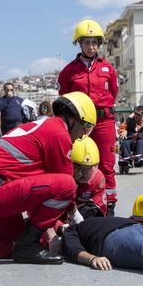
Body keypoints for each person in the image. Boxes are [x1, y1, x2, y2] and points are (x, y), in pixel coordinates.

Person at [0, 91, 97, 266]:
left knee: (25, 241)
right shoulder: (59, 133)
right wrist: (76, 219)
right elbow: (63, 188)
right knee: (67, 184)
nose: (83, 135)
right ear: (74, 119)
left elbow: (40, 195)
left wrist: (46, 233)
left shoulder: (43, 127)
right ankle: (27, 247)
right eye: (86, 127)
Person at [58, 19, 118, 215]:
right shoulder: (69, 71)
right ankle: (73, 202)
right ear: (79, 44)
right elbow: (64, 98)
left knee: (107, 163)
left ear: (99, 44)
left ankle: (109, 203)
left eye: (94, 42)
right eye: (86, 42)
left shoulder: (108, 69)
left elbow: (114, 92)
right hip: (80, 124)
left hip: (104, 121)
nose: (91, 47)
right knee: (76, 160)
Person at [70, 136, 107, 218]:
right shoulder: (62, 178)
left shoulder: (97, 179)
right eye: (80, 168)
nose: (85, 174)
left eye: (89, 168)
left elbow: (99, 210)